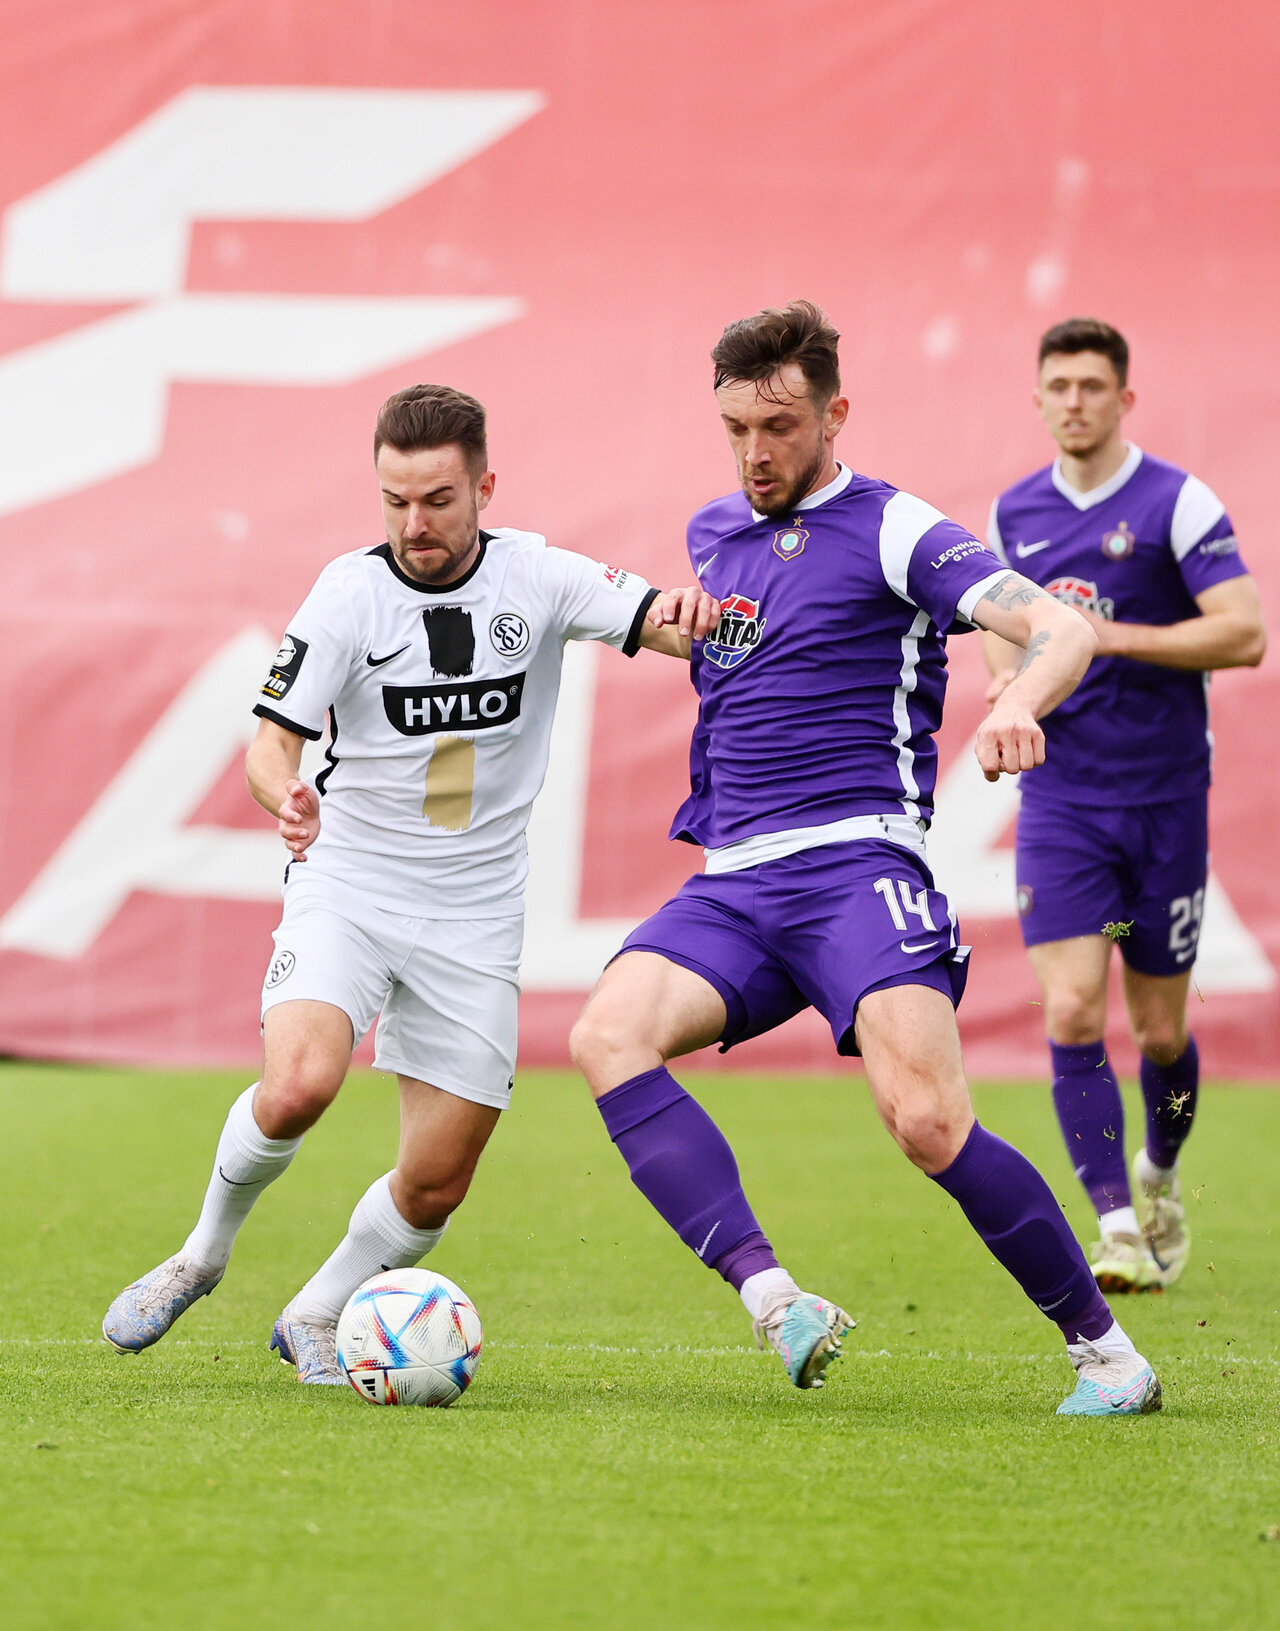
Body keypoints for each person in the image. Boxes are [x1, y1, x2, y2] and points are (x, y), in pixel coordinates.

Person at [570, 299, 1163, 1418]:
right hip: (735, 882)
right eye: (736, 428)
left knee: (927, 1120)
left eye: (780, 426)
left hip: (856, 868)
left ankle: (1107, 1353)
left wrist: (1017, 702)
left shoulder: (894, 527)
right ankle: (775, 1298)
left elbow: (1061, 628)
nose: (756, 452)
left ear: (835, 415)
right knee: (606, 1035)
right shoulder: (713, 533)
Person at [103, 383, 717, 1382]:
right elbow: (270, 742)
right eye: (394, 501)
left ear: (484, 487)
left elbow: (669, 624)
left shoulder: (539, 575)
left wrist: (702, 618)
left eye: (436, 500)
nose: (413, 524)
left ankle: (314, 1310)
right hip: (351, 881)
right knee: (298, 1084)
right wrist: (283, 795)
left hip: (476, 911)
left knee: (435, 1185)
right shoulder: (347, 594)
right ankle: (200, 1255)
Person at [982, 318, 1265, 1293]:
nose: (1074, 401)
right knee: (1069, 1008)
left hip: (1164, 799)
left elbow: (1243, 634)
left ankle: (1158, 1171)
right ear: (1037, 398)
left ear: (1123, 398)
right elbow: (999, 635)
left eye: (1091, 385)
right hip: (1063, 802)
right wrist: (1011, 687)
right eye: (1058, 385)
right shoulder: (1012, 514)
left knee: (1158, 1034)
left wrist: (1108, 637)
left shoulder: (1175, 502)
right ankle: (1113, 1225)